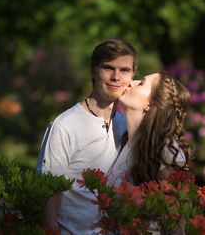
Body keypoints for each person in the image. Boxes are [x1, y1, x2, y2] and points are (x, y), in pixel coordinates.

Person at [36, 38, 139, 234]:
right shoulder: (65, 126)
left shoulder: (127, 125)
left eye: (124, 70)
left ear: (133, 75)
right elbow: (48, 194)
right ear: (93, 71)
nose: (116, 77)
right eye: (108, 68)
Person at [107, 70, 193, 234]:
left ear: (150, 104)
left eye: (141, 83)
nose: (130, 82)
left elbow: (183, 215)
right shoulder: (122, 143)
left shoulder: (167, 149)